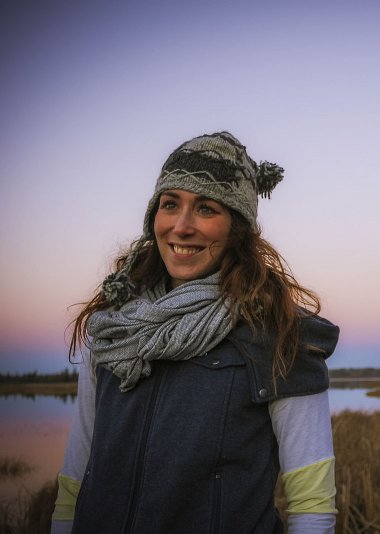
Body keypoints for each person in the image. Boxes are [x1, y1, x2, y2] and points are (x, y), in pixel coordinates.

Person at [50, 132, 340, 533]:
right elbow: (77, 474)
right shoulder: (114, 330)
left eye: (205, 208)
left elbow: (312, 505)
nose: (182, 227)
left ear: (237, 228)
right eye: (171, 205)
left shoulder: (278, 338)